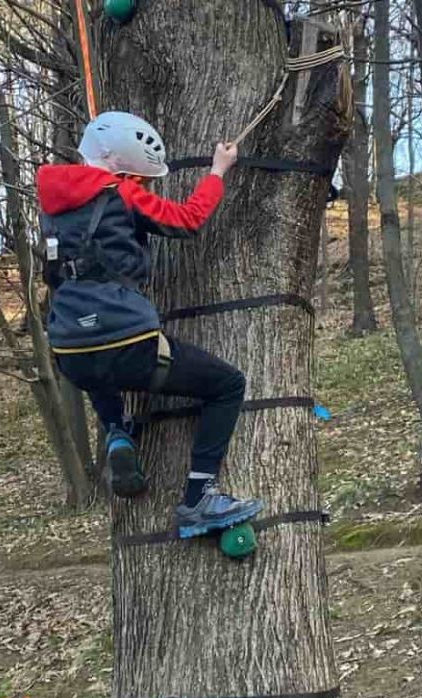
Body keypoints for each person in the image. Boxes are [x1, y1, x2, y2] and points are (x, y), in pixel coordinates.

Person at [36, 110, 263, 538]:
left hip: (68, 346)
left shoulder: (49, 206)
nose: (142, 185)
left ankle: (117, 432)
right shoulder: (121, 193)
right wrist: (217, 171)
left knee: (94, 364)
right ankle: (199, 497)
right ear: (122, 167)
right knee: (228, 384)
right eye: (140, 178)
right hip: (127, 339)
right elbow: (187, 219)